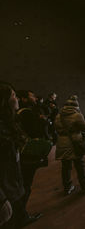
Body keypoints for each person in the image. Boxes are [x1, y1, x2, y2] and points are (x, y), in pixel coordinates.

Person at [0, 82, 41, 228]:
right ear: (4, 101)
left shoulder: (9, 123)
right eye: (13, 95)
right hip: (6, 192)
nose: (16, 98)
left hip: (12, 185)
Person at [16, 90, 47, 218]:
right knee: (26, 184)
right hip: (28, 154)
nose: (35, 98)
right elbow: (36, 132)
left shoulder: (18, 113)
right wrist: (42, 121)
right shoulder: (27, 114)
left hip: (20, 153)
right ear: (24, 99)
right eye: (31, 96)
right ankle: (21, 216)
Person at [55, 95, 85, 195]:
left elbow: (56, 129)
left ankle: (67, 187)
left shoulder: (58, 116)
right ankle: (84, 186)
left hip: (62, 143)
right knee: (80, 165)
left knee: (66, 167)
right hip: (75, 143)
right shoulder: (77, 115)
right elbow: (84, 128)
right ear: (76, 106)